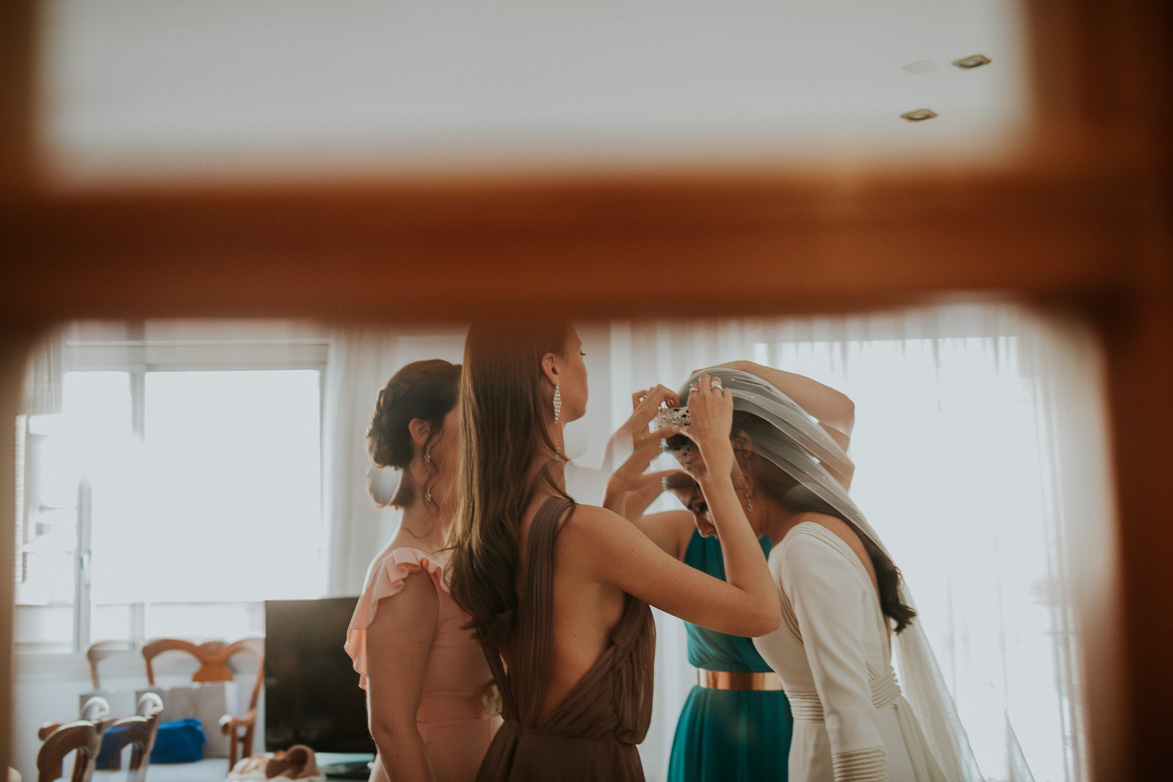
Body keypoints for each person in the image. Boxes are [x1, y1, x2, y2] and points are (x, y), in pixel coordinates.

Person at [446, 322, 781, 782]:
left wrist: (623, 467)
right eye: (580, 356)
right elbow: (760, 611)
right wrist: (715, 471)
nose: (586, 367)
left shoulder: (488, 521)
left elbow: (581, 601)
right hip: (585, 769)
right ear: (552, 369)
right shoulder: (584, 530)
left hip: (519, 758)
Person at [662, 365, 980, 782]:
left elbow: (850, 716)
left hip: (848, 760)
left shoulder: (804, 550)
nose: (705, 521)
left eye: (705, 476)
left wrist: (731, 372)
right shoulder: (804, 534)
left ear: (740, 451)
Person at [605, 361, 855, 782]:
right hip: (710, 722)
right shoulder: (688, 533)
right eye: (695, 497)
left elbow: (840, 413)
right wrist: (663, 452)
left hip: (795, 716)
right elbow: (608, 532)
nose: (705, 520)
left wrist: (738, 371)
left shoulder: (797, 512)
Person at [344, 359, 501, 782]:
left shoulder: (459, 554)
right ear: (422, 432)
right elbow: (391, 728)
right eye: (471, 417)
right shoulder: (406, 572)